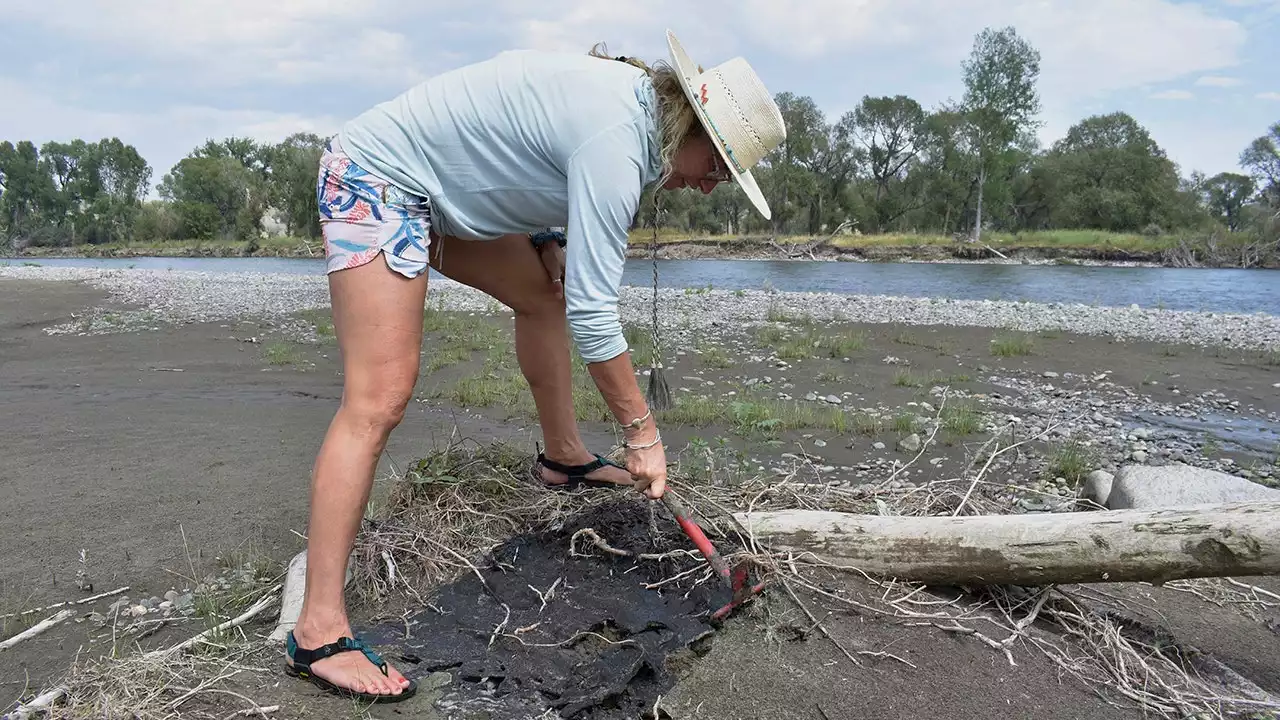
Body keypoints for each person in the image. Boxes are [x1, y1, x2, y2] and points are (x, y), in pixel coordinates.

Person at [284, 29, 786, 703]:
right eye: (718, 164)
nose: (710, 185)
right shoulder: (617, 139)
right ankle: (317, 632)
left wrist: (547, 236)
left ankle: (564, 456)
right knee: (380, 397)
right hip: (377, 178)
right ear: (691, 123)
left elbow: (519, 146)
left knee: (541, 294)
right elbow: (597, 313)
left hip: (437, 193)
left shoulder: (632, 115)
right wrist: (642, 432)